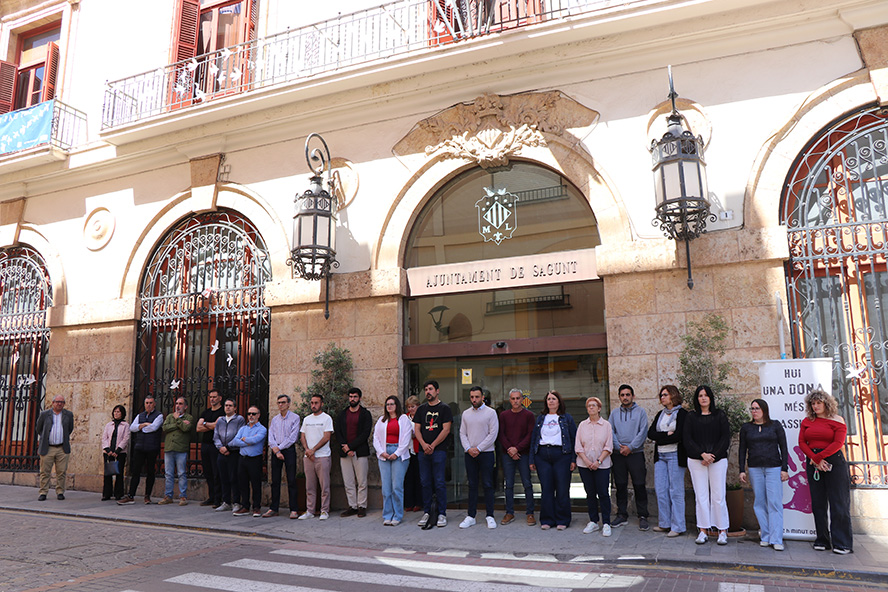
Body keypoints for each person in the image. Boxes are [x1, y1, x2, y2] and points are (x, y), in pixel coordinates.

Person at [799, 389, 852, 554]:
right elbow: (802, 442)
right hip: (814, 462)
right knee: (818, 503)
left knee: (839, 502)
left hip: (833, 462)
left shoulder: (837, 420)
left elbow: (838, 443)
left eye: (818, 403)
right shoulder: (807, 421)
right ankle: (822, 540)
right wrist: (815, 459)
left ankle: (842, 543)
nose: (815, 406)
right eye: (813, 404)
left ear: (826, 403)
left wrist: (818, 458)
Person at [739, 398, 789, 551]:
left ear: (764, 410)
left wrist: (784, 468)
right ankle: (765, 535)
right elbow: (742, 449)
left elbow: (783, 447)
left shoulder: (775, 425)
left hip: (773, 467)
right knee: (759, 502)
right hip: (755, 468)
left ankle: (776, 538)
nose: (754, 411)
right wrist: (742, 469)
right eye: (752, 408)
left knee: (774, 502)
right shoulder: (746, 428)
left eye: (757, 408)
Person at [684, 385, 731, 545]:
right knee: (701, 496)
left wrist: (712, 456)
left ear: (711, 397)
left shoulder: (720, 415)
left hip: (718, 460)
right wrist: (702, 454)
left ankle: (722, 530)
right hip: (696, 461)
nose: (703, 398)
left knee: (718, 496)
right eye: (700, 395)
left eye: (706, 395)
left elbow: (725, 438)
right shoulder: (691, 416)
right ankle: (703, 530)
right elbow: (687, 439)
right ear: (696, 399)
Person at [529, 390, 577, 530]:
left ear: (559, 402)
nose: (551, 401)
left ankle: (563, 519)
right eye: (548, 399)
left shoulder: (566, 418)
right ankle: (547, 519)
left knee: (562, 488)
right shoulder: (540, 418)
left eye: (554, 399)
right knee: (546, 489)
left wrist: (573, 459)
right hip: (542, 456)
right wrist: (532, 459)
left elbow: (574, 439)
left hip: (562, 455)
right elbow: (534, 439)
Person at [647, 384, 687, 537]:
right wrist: (666, 435)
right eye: (661, 395)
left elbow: (679, 436)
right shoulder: (660, 414)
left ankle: (678, 526)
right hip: (660, 456)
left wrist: (661, 438)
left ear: (673, 395)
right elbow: (651, 434)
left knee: (675, 491)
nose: (662, 397)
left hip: (675, 455)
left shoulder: (682, 414)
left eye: (665, 394)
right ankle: (664, 523)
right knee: (661, 490)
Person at [609, 384, 650, 531]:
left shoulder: (641, 412)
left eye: (627, 394)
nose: (625, 397)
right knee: (620, 485)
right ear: (619, 397)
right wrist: (619, 447)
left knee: (639, 484)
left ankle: (643, 515)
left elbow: (643, 432)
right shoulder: (614, 413)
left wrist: (630, 447)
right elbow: (610, 431)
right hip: (618, 454)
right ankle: (621, 514)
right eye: (622, 395)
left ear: (633, 396)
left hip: (635, 454)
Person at [458, 386, 499, 529]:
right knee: (472, 485)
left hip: (486, 453)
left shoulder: (491, 413)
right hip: (470, 454)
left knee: (488, 484)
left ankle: (490, 516)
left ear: (482, 397)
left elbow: (493, 434)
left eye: (477, 397)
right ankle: (471, 516)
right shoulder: (466, 414)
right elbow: (462, 433)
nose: (474, 399)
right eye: (472, 397)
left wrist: (479, 448)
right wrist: (469, 448)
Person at [413, 380, 453, 528]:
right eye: (426, 389)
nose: (428, 392)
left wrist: (433, 445)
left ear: (437, 391)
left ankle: (442, 513)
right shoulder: (421, 409)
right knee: (425, 482)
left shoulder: (445, 408)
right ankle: (427, 512)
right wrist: (424, 445)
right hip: (423, 451)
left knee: (439, 482)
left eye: (430, 389)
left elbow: (446, 430)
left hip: (439, 451)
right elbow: (417, 429)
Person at [575, 397, 613, 536]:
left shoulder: (606, 425)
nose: (591, 408)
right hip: (584, 465)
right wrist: (586, 461)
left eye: (594, 405)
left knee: (603, 493)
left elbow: (608, 446)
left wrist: (598, 461)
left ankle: (606, 523)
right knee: (590, 493)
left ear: (599, 408)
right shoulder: (582, 425)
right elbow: (578, 446)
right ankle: (593, 521)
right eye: (589, 406)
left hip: (602, 465)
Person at [373, 395, 412, 526]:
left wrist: (396, 453)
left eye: (392, 404)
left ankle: (397, 515)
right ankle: (387, 515)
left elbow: (406, 438)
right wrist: (382, 452)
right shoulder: (381, 420)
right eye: (387, 404)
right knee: (386, 488)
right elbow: (376, 438)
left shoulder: (403, 419)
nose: (389, 406)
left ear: (397, 406)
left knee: (396, 487)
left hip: (399, 454)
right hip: (384, 453)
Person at [498, 387, 536, 526]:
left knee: (527, 484)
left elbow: (530, 435)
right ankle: (509, 512)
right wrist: (510, 449)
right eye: (513, 398)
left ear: (522, 399)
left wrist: (517, 449)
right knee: (508, 484)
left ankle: (530, 513)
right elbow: (501, 434)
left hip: (523, 454)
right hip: (507, 454)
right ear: (510, 400)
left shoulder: (529, 415)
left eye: (518, 398)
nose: (515, 401)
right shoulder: (503, 415)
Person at [334, 387, 373, 518]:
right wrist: (345, 447)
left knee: (362, 481)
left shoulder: (365, 414)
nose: (352, 399)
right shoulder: (342, 414)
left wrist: (351, 447)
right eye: (350, 396)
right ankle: (352, 506)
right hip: (345, 453)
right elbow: (338, 432)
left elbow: (365, 433)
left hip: (360, 452)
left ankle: (362, 506)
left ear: (359, 398)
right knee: (348, 481)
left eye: (355, 396)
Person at [119, 395, 163, 505]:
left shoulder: (159, 416)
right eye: (147, 403)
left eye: (150, 403)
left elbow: (154, 427)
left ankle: (147, 496)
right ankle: (131, 495)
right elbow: (132, 428)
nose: (148, 405)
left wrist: (141, 427)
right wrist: (144, 425)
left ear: (154, 404)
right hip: (139, 447)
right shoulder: (140, 415)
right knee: (136, 471)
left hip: (152, 447)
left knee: (150, 472)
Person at [265, 394, 301, 519]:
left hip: (288, 450)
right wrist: (275, 449)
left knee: (291, 480)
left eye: (283, 402)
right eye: (279, 402)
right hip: (276, 451)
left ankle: (294, 509)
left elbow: (293, 438)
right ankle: (274, 508)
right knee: (275, 480)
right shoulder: (275, 419)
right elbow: (271, 435)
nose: (281, 405)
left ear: (288, 404)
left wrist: (279, 448)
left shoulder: (295, 418)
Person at [299, 394, 334, 520]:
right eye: (312, 403)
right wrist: (307, 451)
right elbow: (302, 436)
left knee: (324, 486)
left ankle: (324, 510)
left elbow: (326, 437)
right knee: (310, 486)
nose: (313, 405)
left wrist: (313, 450)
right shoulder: (307, 419)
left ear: (322, 404)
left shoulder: (327, 418)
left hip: (323, 456)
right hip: (308, 457)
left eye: (316, 403)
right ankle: (310, 510)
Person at [229, 405, 266, 517]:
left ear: (258, 415)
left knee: (256, 484)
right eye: (249, 414)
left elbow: (256, 440)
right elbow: (235, 441)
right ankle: (245, 506)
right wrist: (247, 442)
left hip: (255, 459)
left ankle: (256, 507)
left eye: (253, 414)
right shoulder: (243, 429)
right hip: (243, 459)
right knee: (243, 483)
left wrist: (245, 439)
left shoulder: (262, 429)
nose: (251, 416)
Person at [36, 395, 74, 501]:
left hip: (62, 448)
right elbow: (39, 429)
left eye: (62, 402)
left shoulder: (68, 415)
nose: (59, 404)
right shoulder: (44, 414)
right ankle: (43, 492)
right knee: (45, 472)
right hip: (48, 447)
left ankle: (60, 491)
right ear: (53, 403)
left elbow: (70, 429)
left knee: (61, 472)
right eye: (57, 402)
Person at [160, 397, 193, 505]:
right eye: (177, 403)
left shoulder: (189, 417)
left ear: (185, 406)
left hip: (181, 449)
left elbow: (186, 428)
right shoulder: (170, 416)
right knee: (168, 473)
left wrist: (178, 419)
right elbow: (165, 428)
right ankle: (168, 496)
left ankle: (183, 496)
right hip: (169, 448)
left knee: (181, 473)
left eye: (181, 404)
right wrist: (179, 423)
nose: (178, 406)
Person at [213, 398, 245, 512]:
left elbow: (239, 436)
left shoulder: (239, 419)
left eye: (230, 405)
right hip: (221, 452)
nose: (227, 407)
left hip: (234, 452)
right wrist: (220, 447)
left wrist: (228, 447)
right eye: (226, 405)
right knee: (223, 477)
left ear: (235, 408)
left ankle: (236, 502)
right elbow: (216, 436)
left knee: (234, 477)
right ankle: (226, 501)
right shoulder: (220, 420)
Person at [196, 389, 224, 508]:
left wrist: (205, 424)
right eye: (210, 397)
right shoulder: (206, 412)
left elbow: (217, 426)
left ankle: (218, 499)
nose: (212, 399)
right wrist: (210, 425)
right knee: (208, 472)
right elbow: (198, 428)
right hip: (205, 445)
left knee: (217, 472)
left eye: (214, 397)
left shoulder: (222, 412)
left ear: (220, 398)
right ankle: (211, 497)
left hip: (216, 445)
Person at [101, 405, 129, 501]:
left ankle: (118, 493)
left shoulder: (125, 425)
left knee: (119, 473)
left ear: (122, 413)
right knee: (108, 473)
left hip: (120, 452)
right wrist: (108, 450)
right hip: (108, 452)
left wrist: (118, 450)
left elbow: (125, 439)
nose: (116, 414)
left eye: (118, 412)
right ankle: (107, 493)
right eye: (115, 412)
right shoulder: (109, 425)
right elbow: (104, 438)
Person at [403, 395, 423, 512]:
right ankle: (409, 503)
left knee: (418, 477)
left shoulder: (421, 417)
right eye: (409, 407)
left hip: (418, 449)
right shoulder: (404, 418)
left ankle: (419, 502)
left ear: (418, 406)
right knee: (408, 477)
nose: (411, 409)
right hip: (407, 450)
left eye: (413, 406)